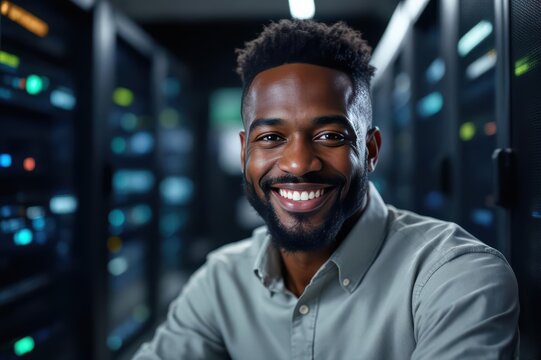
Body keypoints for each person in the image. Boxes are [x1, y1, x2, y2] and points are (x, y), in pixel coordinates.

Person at [134, 20, 519, 359]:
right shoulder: (221, 280)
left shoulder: (456, 277)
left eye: (330, 135)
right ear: (244, 152)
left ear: (370, 150)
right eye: (271, 137)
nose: (299, 163)